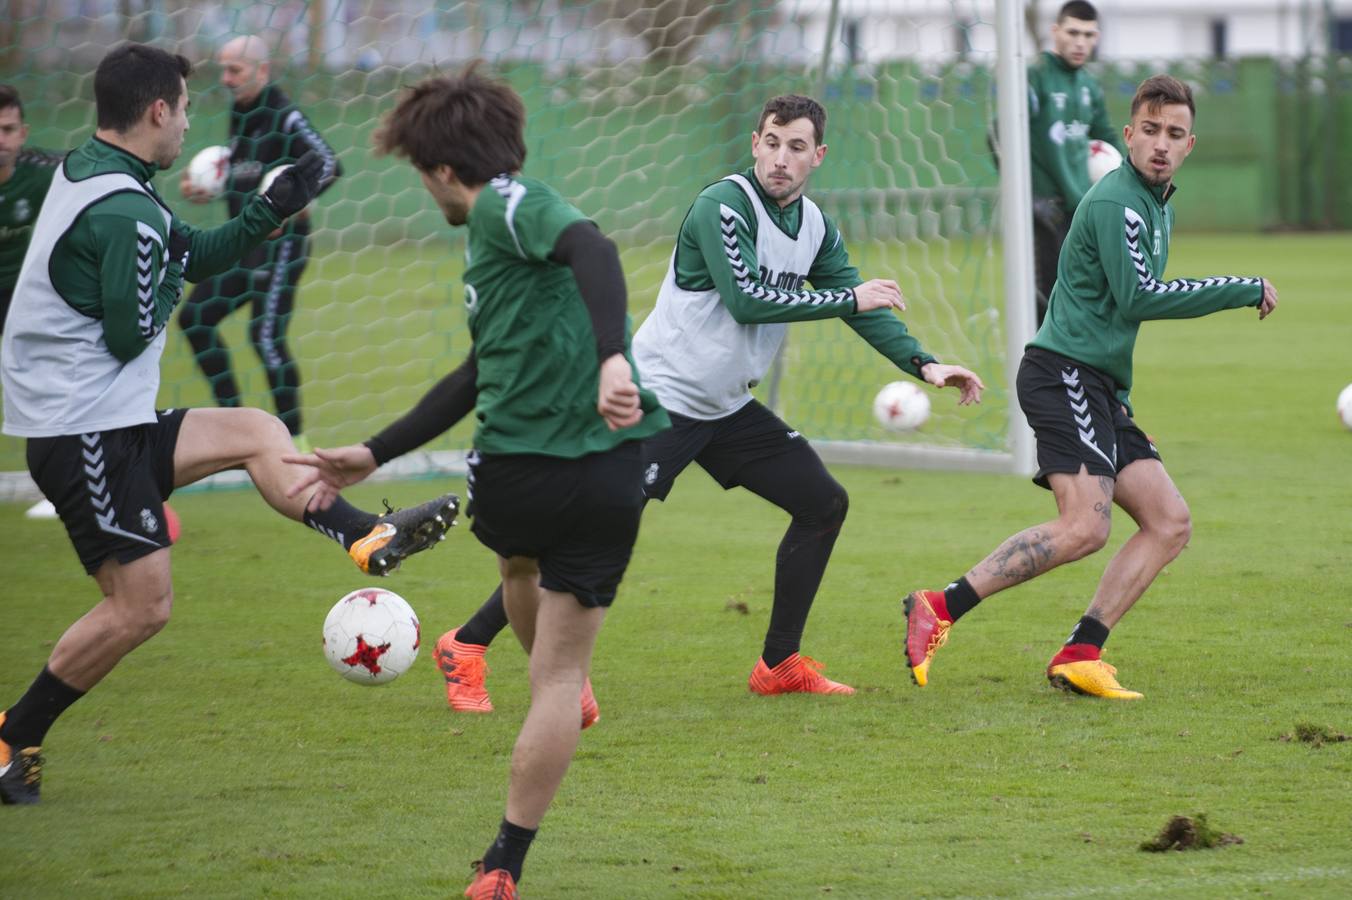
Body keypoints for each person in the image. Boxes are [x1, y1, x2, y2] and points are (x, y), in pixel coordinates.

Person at [294, 93, 984, 718]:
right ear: (754, 142)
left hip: (725, 408)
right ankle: (465, 644)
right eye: (772, 141)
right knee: (582, 538)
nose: (781, 157)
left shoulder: (814, 228)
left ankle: (778, 665)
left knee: (822, 503)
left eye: (796, 146)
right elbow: (749, 299)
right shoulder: (724, 206)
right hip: (658, 398)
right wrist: (846, 298)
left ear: (818, 156)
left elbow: (859, 302)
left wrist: (925, 364)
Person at [0, 44, 457, 807]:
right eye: (182, 105)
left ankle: (363, 536)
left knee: (255, 429)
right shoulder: (123, 211)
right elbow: (130, 329)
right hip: (85, 434)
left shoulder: (98, 172)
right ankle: (17, 732)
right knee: (140, 606)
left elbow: (195, 253)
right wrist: (164, 271)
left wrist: (270, 207)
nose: (188, 120)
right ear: (156, 110)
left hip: (108, 420)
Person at [287, 63, 669, 899]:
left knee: (523, 583)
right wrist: (376, 450)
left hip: (521, 473)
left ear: (447, 172)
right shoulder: (497, 236)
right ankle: (504, 864)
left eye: (424, 176)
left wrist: (611, 355)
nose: (427, 190)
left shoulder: (504, 203)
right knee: (557, 669)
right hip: (608, 470)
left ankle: (554, 697)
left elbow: (593, 246)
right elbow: (476, 370)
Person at [903, 74, 1279, 700]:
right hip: (1061, 374)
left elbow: (1112, 310)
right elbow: (1140, 297)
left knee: (1169, 520)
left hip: (1097, 384)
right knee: (1085, 527)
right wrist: (1240, 288)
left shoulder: (1158, 203)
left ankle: (1081, 651)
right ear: (1127, 136)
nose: (1161, 144)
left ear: (1190, 145)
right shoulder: (1115, 203)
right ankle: (938, 606)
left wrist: (1119, 403)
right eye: (1151, 131)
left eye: (1175, 134)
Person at [177, 35, 342, 449]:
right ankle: (233, 424)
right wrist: (206, 188)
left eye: (236, 70)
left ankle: (295, 442)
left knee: (264, 337)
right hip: (244, 245)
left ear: (262, 71)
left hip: (282, 246)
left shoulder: (282, 113)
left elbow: (329, 162)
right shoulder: (240, 113)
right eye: (223, 70)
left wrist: (298, 200)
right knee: (195, 318)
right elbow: (243, 174)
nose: (227, 79)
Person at [1028, 1, 1122, 326]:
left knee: (1083, 303)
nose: (1080, 42)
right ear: (1055, 32)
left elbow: (1108, 139)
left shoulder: (1088, 86)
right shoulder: (1035, 76)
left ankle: (1076, 376)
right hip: (1044, 213)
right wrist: (1028, 198)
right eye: (1072, 32)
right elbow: (1000, 135)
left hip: (1081, 212)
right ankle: (1036, 376)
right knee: (1046, 306)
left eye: (1088, 35)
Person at [0, 85, 63, 338]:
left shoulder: (42, 172)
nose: (0, 139)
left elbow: (99, 165)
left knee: (42, 365)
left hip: (17, 292)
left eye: (8, 129)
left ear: (23, 133)